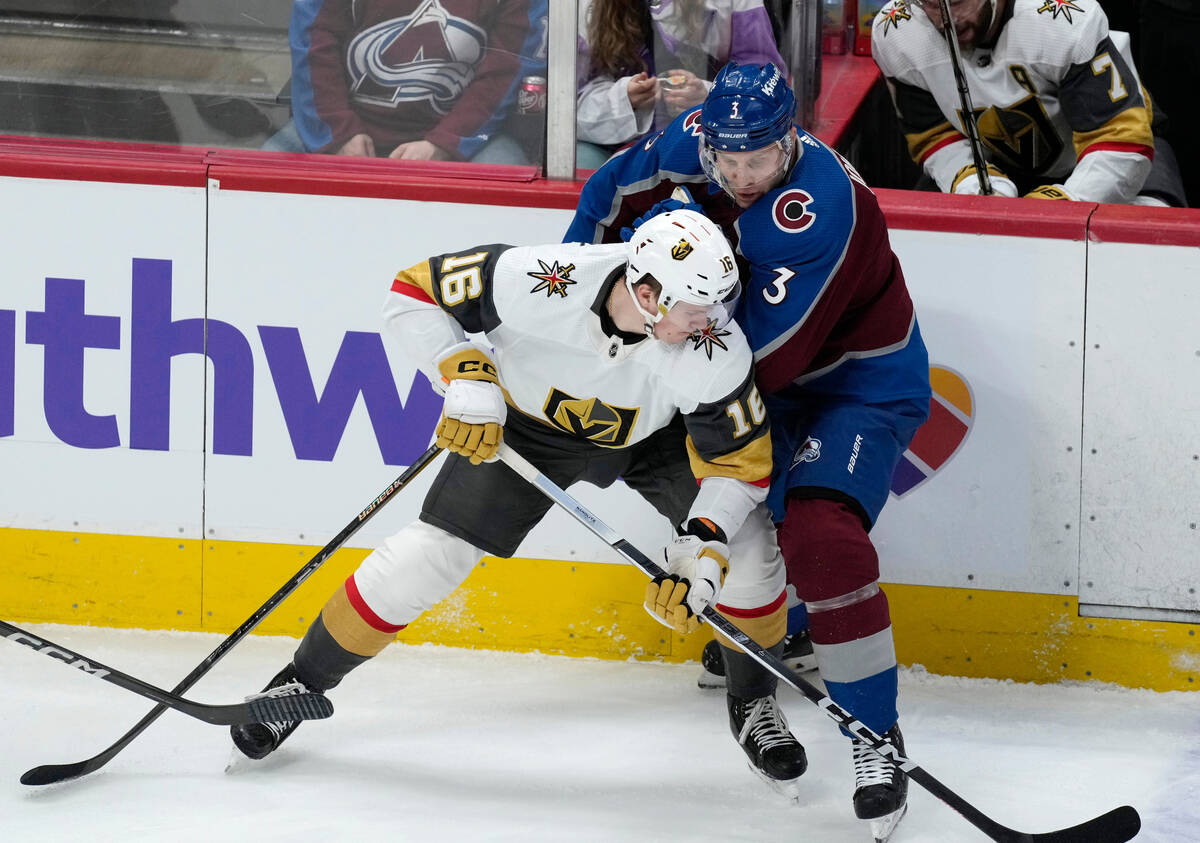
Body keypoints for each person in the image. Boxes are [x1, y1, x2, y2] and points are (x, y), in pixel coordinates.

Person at [229, 209, 810, 798]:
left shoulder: (715, 347)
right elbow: (414, 290)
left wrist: (704, 544)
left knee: (748, 548)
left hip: (654, 440)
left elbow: (738, 464)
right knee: (428, 557)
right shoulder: (543, 278)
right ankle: (296, 686)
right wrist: (468, 377)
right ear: (647, 292)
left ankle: (754, 699)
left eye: (717, 307)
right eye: (695, 310)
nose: (711, 323)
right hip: (526, 429)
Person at [565, 63, 931, 840]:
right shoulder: (698, 141)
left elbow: (773, 355)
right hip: (741, 373)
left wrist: (632, 366)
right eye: (726, 163)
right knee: (743, 537)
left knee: (822, 535)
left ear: (791, 139)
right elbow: (605, 201)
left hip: (848, 385)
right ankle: (755, 688)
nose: (737, 179)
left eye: (755, 163)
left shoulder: (819, 206)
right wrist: (572, 314)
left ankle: (875, 736)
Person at [869, 0, 1187, 206]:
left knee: (1153, 243)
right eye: (931, 5)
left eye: (957, 1)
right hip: (993, 160)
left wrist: (1062, 202)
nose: (946, 21)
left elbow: (1121, 142)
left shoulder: (1061, 18)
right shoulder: (898, 30)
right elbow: (932, 135)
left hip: (1118, 151)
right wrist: (967, 178)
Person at [263, 0, 547, 164]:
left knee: (503, 190)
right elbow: (314, 46)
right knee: (253, 183)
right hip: (345, 128)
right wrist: (339, 134)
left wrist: (445, 143)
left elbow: (507, 69)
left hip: (465, 138)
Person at [575, 0, 787, 170]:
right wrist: (624, 99)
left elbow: (769, 88)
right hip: (622, 148)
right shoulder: (583, 8)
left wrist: (709, 98)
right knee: (580, 161)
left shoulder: (737, 4)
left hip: (715, 147)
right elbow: (565, 108)